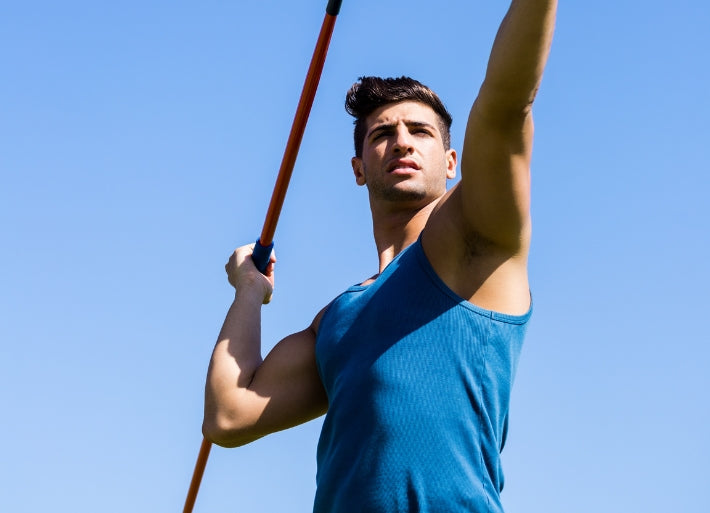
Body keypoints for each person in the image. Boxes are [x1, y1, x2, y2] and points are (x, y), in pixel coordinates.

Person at [203, 1, 557, 511]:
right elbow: (228, 417)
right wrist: (249, 292)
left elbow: (506, 106)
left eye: (420, 131)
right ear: (359, 168)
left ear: (452, 161)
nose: (401, 142)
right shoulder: (337, 319)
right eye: (382, 134)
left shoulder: (473, 242)